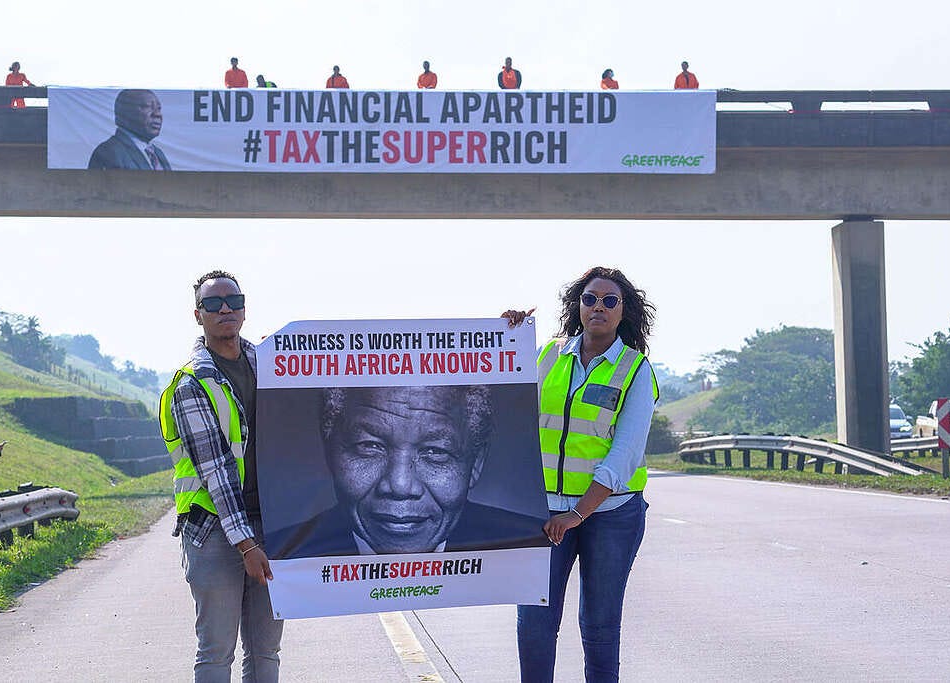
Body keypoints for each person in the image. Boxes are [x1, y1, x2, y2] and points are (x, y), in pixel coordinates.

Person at [504, 266, 659, 683]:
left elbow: (624, 454)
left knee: (599, 625)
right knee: (535, 624)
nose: (598, 307)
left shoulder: (635, 369)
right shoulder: (548, 356)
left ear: (624, 312)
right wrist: (505, 337)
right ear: (578, 305)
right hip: (544, 514)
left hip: (611, 514)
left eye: (610, 301)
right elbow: (503, 402)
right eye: (590, 298)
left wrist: (578, 514)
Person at [159, 270, 283, 681]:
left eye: (233, 301)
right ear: (199, 316)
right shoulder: (191, 383)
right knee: (216, 652)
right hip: (214, 532)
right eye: (213, 304)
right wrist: (247, 546)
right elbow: (217, 470)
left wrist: (494, 339)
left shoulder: (273, 365)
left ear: (245, 310)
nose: (225, 308)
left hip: (272, 526)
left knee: (266, 652)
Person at [269, 385, 547, 558]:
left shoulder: (520, 549)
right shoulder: (288, 555)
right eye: (369, 446)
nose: (400, 485)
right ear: (330, 452)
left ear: (475, 465)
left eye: (435, 452)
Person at [87, 90, 171, 170]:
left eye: (159, 108)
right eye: (146, 106)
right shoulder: (108, 152)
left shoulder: (157, 153)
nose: (157, 114)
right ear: (124, 113)